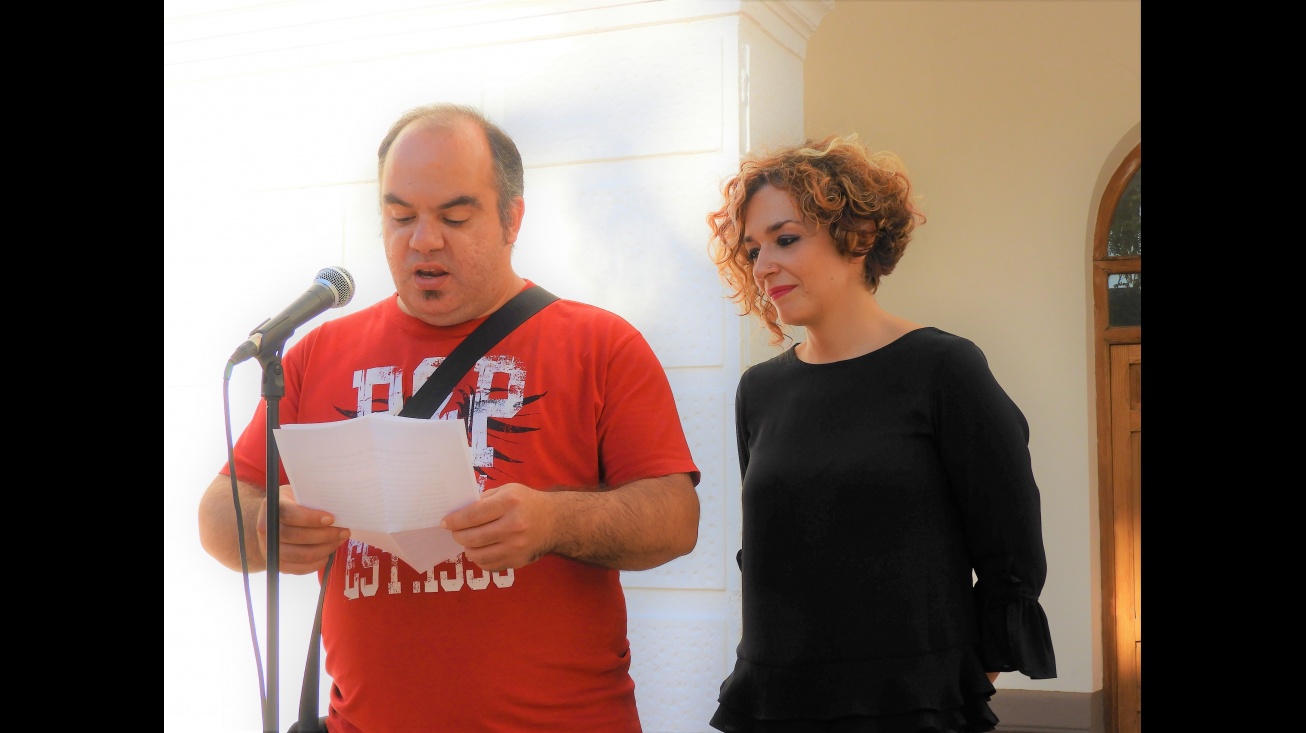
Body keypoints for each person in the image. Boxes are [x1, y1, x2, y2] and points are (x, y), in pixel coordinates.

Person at [198, 103, 701, 733]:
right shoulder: (313, 355)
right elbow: (219, 513)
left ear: (512, 218)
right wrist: (265, 525)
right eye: (399, 217)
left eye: (455, 216)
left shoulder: (601, 344)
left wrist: (554, 521)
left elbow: (675, 519)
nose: (423, 240)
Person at [703, 135, 1056, 733]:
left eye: (786, 239)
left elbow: (1011, 557)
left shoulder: (944, 370)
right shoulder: (759, 391)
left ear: (857, 237)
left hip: (910, 707)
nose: (764, 266)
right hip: (776, 703)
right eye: (753, 249)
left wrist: (949, 686)